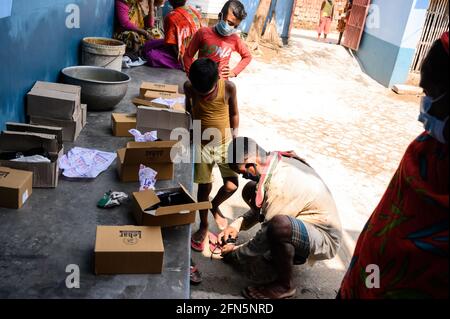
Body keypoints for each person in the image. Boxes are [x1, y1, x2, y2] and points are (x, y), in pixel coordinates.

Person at [338, 32, 449, 299]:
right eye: (424, 92)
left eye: (432, 95)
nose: (425, 106)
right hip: (365, 281)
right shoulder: (426, 148)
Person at [219, 137, 342, 299]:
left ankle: (285, 286)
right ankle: (290, 253)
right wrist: (236, 225)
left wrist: (234, 254)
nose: (243, 177)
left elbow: (265, 235)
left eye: (243, 173)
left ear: (251, 164)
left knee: (278, 227)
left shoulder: (280, 183)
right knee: (251, 190)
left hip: (325, 238)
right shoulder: (275, 160)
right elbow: (264, 206)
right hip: (305, 221)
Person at [184, 58, 240, 253]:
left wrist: (234, 133)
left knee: (232, 185)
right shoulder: (189, 87)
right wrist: (190, 129)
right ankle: (204, 224)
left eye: (207, 94)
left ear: (217, 80)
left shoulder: (228, 88)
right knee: (203, 187)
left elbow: (233, 113)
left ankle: (214, 206)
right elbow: (188, 109)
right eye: (201, 95)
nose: (205, 98)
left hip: (225, 143)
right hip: (202, 143)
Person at [183, 0, 252, 80]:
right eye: (230, 23)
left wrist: (234, 72)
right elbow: (188, 55)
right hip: (201, 81)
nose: (232, 28)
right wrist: (190, 75)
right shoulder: (203, 33)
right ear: (220, 16)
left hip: (221, 83)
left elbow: (247, 56)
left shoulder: (235, 39)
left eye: (236, 26)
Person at [145, 0, 203, 69]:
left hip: (182, 54)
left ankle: (180, 64)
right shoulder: (194, 11)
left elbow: (173, 46)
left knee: (151, 56)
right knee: (149, 44)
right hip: (194, 50)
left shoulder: (171, 16)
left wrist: (183, 62)